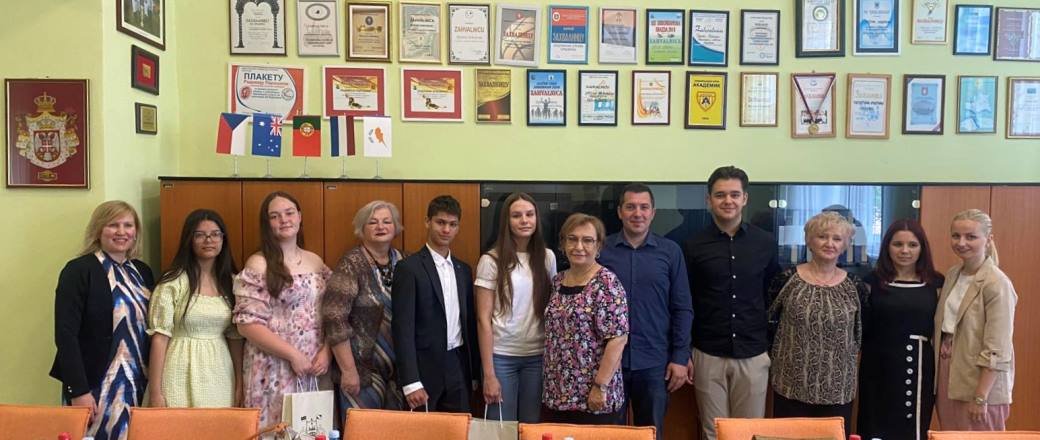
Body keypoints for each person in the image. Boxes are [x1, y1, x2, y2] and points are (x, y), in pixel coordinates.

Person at [683, 167, 779, 440]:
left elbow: (772, 294)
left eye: (734, 194)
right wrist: (684, 351)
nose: (728, 201)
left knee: (750, 433)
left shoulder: (765, 243)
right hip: (707, 353)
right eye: (720, 195)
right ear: (709, 200)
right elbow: (686, 301)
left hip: (753, 353)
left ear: (745, 198)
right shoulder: (692, 245)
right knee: (713, 432)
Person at [51, 201, 155, 440]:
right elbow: (65, 335)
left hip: (135, 381)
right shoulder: (79, 270)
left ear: (136, 231)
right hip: (94, 384)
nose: (122, 231)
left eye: (128, 225)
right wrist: (78, 391)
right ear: (98, 229)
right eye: (113, 225)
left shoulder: (142, 271)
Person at [598, 183, 693, 437]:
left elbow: (682, 308)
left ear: (653, 212)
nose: (637, 213)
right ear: (620, 212)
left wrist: (680, 357)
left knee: (650, 433)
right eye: (630, 207)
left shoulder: (670, 251)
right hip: (608, 362)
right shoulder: (601, 251)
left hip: (654, 362)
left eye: (644, 207)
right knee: (610, 435)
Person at [234, 191, 331, 427]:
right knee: (276, 430)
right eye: (275, 216)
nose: (284, 220)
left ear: (299, 216)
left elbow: (334, 311)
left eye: (289, 213)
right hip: (273, 366)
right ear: (267, 223)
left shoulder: (315, 261)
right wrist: (293, 355)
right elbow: (247, 325)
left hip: (315, 365)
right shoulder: (258, 263)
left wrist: (327, 351)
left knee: (312, 430)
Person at [767, 211, 869, 435]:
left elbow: (862, 332)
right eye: (822, 236)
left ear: (845, 245)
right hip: (791, 384)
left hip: (837, 389)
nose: (829, 243)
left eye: (837, 238)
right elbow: (769, 323)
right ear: (809, 240)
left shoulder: (856, 286)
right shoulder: (786, 280)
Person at [148, 209, 243, 408]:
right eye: (200, 235)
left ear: (223, 239)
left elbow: (235, 338)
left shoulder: (232, 283)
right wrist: (155, 393)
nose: (209, 240)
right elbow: (160, 338)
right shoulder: (172, 282)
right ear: (189, 240)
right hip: (178, 368)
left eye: (215, 234)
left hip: (220, 371)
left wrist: (240, 385)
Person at [858, 219, 944, 440]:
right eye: (898, 244)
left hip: (918, 365)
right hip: (877, 367)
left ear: (922, 248)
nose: (905, 251)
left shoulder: (936, 283)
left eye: (912, 245)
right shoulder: (870, 282)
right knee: (875, 427)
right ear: (887, 246)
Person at [392, 195, 479, 412]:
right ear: (427, 222)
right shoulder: (409, 268)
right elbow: (403, 328)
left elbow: (469, 324)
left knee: (458, 427)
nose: (446, 230)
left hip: (458, 365)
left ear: (458, 227)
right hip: (424, 370)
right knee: (424, 428)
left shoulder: (463, 270)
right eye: (440, 222)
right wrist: (411, 381)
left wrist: (474, 373)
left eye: (452, 224)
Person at [475, 193, 557, 422]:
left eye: (529, 214)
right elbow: (483, 320)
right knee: (501, 429)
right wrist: (489, 374)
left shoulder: (548, 258)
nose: (524, 220)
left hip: (537, 356)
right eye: (516, 215)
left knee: (530, 427)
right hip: (501, 356)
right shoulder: (491, 260)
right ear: (506, 221)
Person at [933, 209, 1016, 430]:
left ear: (988, 239)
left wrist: (981, 396)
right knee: (950, 433)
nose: (961, 243)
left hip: (981, 380)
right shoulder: (953, 274)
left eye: (971, 237)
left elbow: (997, 348)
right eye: (956, 236)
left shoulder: (996, 283)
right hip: (949, 369)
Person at [542, 213, 629, 424]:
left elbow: (618, 339)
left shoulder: (607, 283)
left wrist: (600, 386)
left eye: (587, 240)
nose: (579, 246)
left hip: (594, 396)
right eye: (572, 239)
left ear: (598, 246)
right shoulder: (558, 281)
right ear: (563, 244)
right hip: (558, 392)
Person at [321, 201, 406, 415]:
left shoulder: (405, 261)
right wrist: (348, 370)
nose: (381, 226)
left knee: (396, 430)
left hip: (399, 374)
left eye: (387, 221)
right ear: (362, 228)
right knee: (362, 429)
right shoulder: (351, 264)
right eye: (373, 222)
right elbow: (334, 317)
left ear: (395, 227)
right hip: (360, 372)